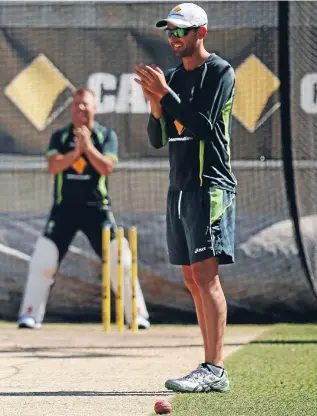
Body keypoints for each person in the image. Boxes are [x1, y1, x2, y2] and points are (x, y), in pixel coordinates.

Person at [134, 3, 237, 393]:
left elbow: (205, 127)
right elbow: (159, 138)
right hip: (179, 187)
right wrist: (154, 101)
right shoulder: (174, 76)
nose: (174, 38)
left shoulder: (220, 72)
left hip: (210, 185)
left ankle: (215, 368)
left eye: (182, 31)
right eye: (170, 32)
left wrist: (165, 92)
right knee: (192, 279)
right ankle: (209, 366)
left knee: (206, 277)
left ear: (202, 33)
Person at [17, 87, 151, 330]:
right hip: (64, 209)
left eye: (85, 104)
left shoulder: (106, 135)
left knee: (120, 259)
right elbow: (53, 166)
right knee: (42, 260)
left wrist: (87, 148)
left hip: (97, 210)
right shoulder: (60, 136)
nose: (81, 108)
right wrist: (76, 151)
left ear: (94, 107)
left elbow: (107, 167)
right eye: (77, 104)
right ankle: (29, 315)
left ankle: (138, 315)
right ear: (72, 109)